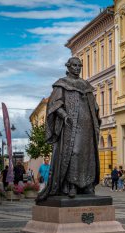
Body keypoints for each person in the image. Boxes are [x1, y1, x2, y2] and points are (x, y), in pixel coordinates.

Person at [36, 57, 101, 201]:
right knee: (74, 152)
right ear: (69, 67)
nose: (77, 68)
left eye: (80, 66)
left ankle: (86, 185)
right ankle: (71, 185)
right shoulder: (62, 84)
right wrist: (64, 116)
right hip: (72, 126)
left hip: (88, 126)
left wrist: (96, 116)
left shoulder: (86, 85)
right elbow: (55, 104)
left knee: (88, 154)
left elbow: (94, 106)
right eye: (75, 65)